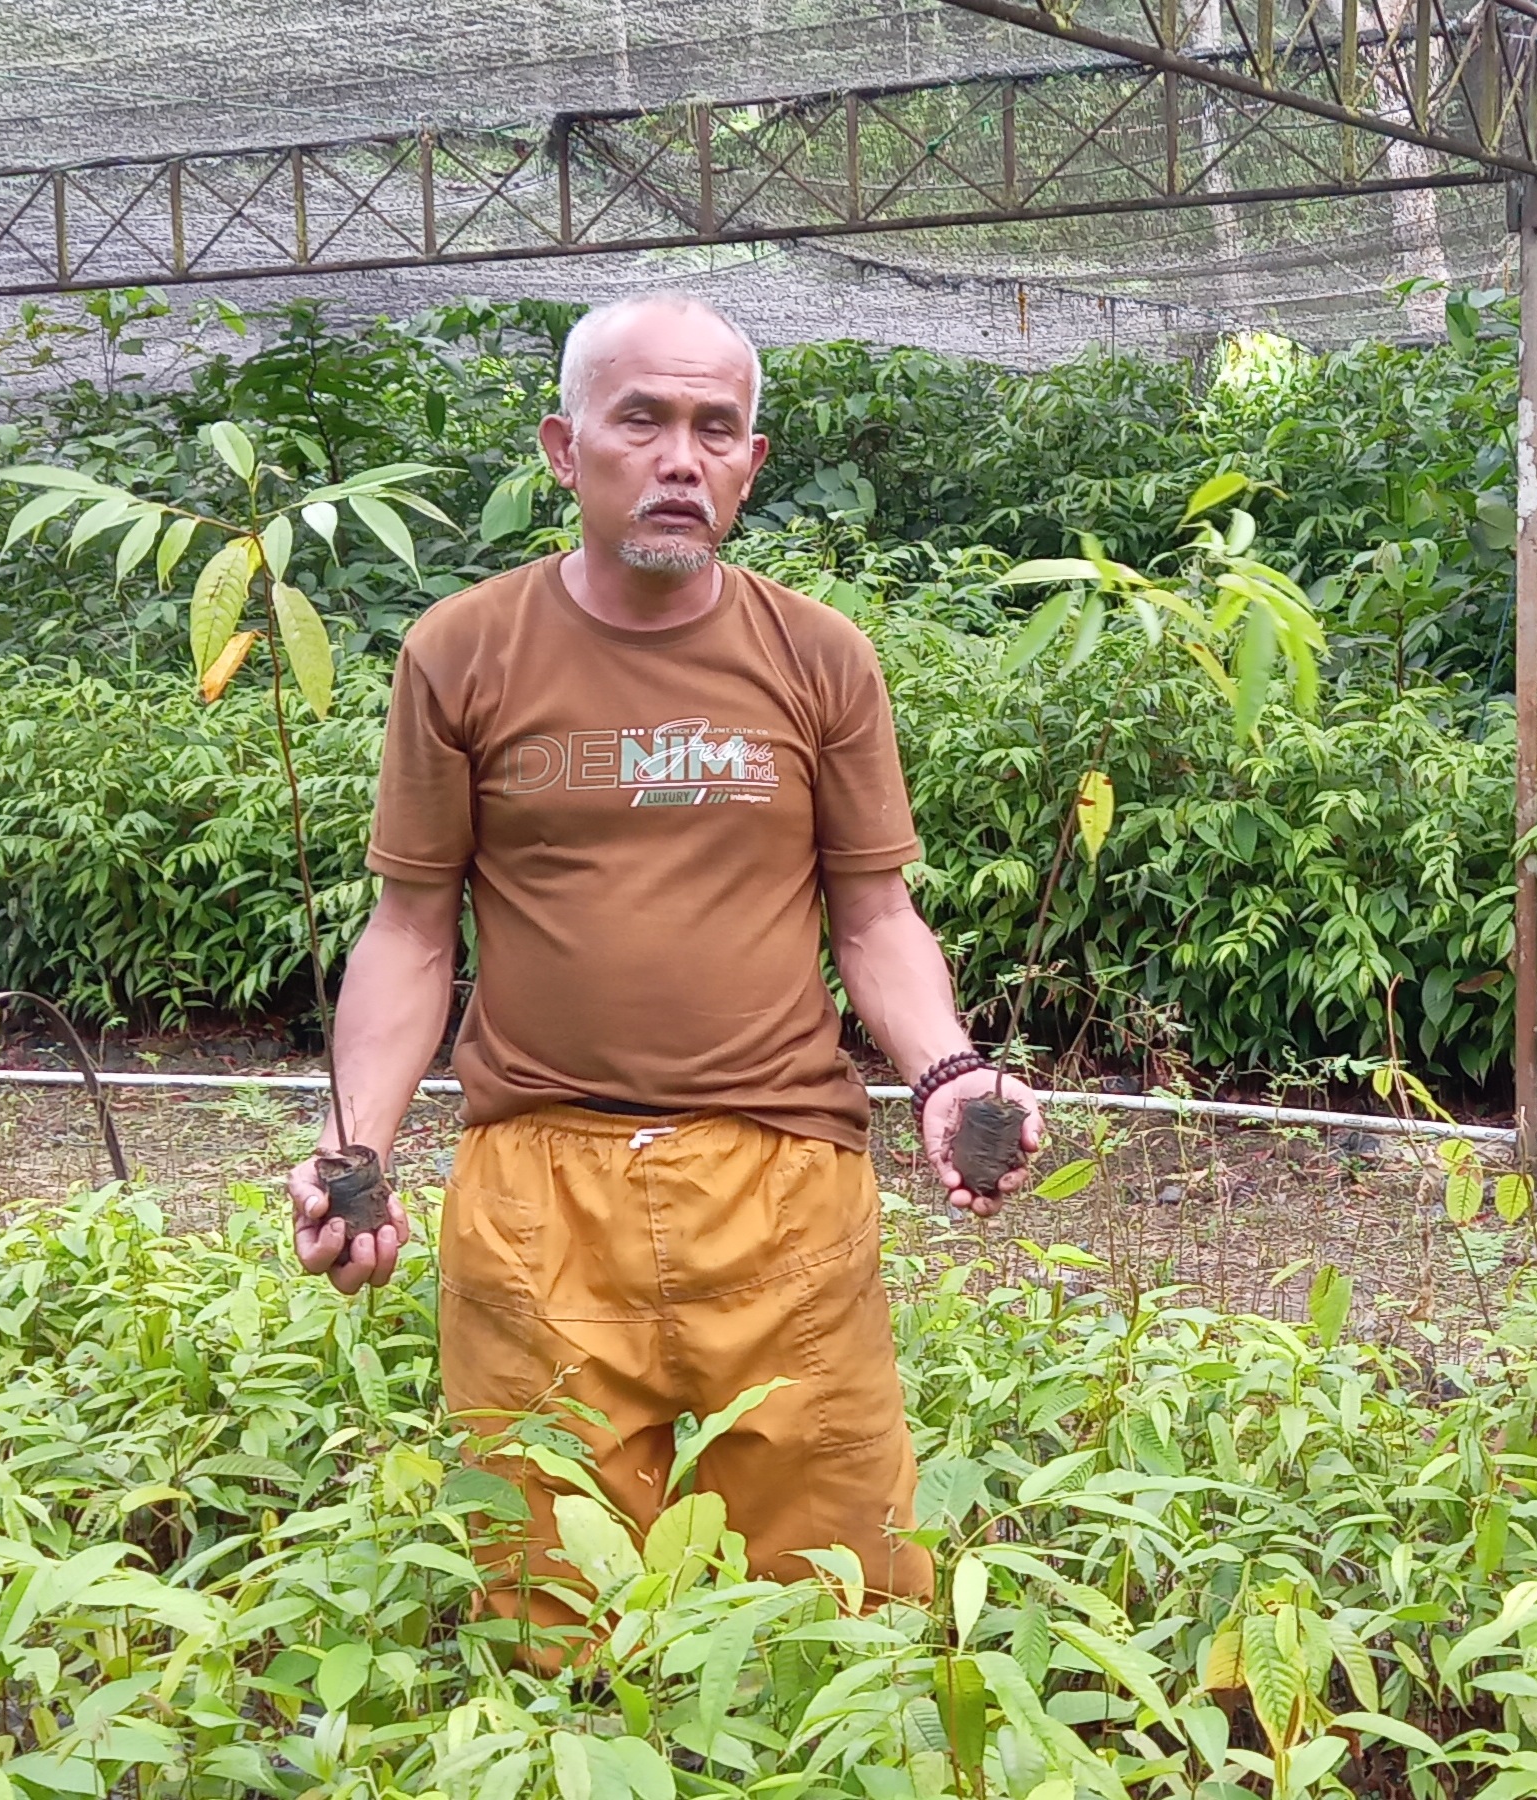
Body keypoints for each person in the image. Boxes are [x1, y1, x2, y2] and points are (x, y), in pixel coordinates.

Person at [283, 291, 1041, 1646]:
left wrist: (946, 1071)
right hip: (537, 1191)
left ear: (750, 461)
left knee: (836, 1600)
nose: (680, 456)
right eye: (642, 420)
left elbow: (872, 915)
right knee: (546, 1597)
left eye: (716, 428)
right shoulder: (461, 651)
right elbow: (409, 931)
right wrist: (357, 1146)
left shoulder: (817, 657)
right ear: (565, 448)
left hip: (783, 1184)